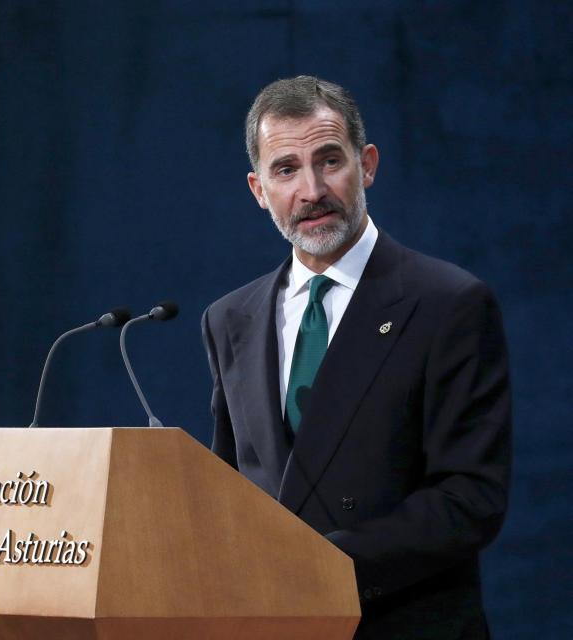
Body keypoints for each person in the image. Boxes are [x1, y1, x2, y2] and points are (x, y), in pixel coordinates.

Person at [201, 76, 512, 639]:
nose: (312, 190)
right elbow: (233, 491)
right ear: (258, 189)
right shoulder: (229, 319)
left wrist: (323, 566)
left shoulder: (449, 303)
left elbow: (470, 498)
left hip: (402, 623)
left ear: (366, 165)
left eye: (329, 161)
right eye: (286, 169)